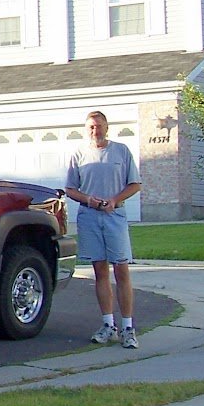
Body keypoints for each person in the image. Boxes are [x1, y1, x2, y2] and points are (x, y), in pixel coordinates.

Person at [65, 110, 143, 347]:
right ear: (86, 129)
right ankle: (108, 324)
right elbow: (70, 189)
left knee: (121, 269)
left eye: (99, 126)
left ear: (107, 127)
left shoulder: (121, 151)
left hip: (115, 215)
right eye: (90, 127)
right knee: (100, 270)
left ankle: (128, 328)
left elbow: (135, 184)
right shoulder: (79, 154)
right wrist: (90, 200)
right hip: (90, 216)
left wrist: (114, 199)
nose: (95, 130)